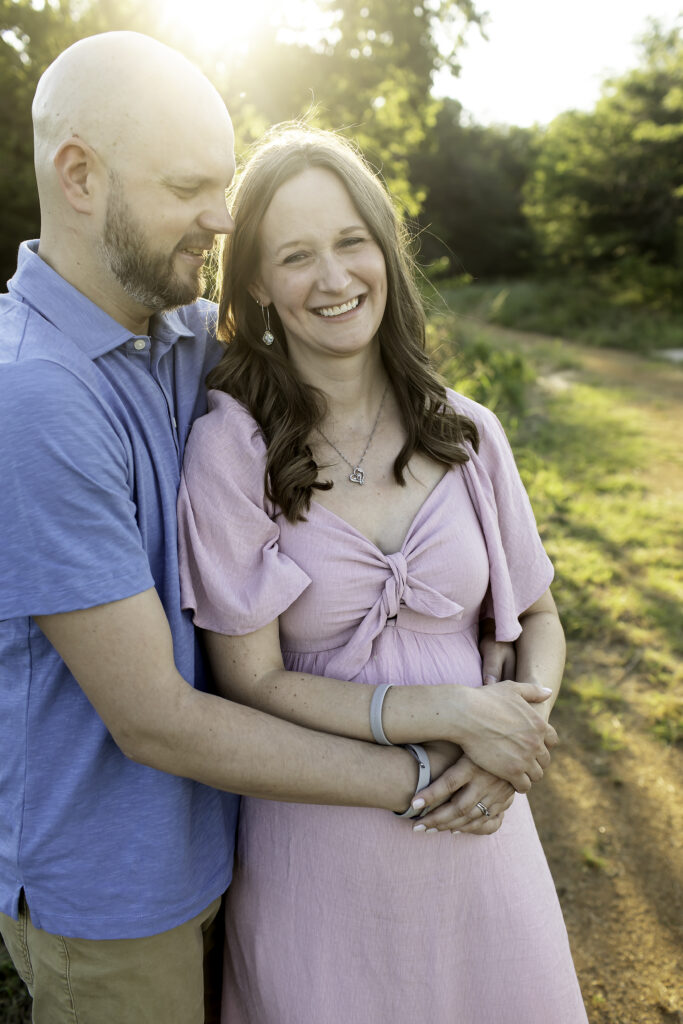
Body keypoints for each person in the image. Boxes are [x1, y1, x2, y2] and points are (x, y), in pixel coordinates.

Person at [0, 32, 560, 1024]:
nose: (219, 221)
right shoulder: (37, 396)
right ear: (79, 176)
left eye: (224, 190)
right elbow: (157, 715)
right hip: (118, 889)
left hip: (231, 838)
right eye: (188, 188)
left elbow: (294, 341)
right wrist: (443, 756)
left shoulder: (173, 340)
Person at [176, 125, 589, 1023]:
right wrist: (445, 715)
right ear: (256, 283)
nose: (332, 279)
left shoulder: (468, 432)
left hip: (482, 840)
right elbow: (250, 681)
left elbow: (540, 618)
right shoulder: (231, 450)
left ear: (384, 251)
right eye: (296, 255)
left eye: (351, 241)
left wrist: (512, 742)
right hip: (318, 855)